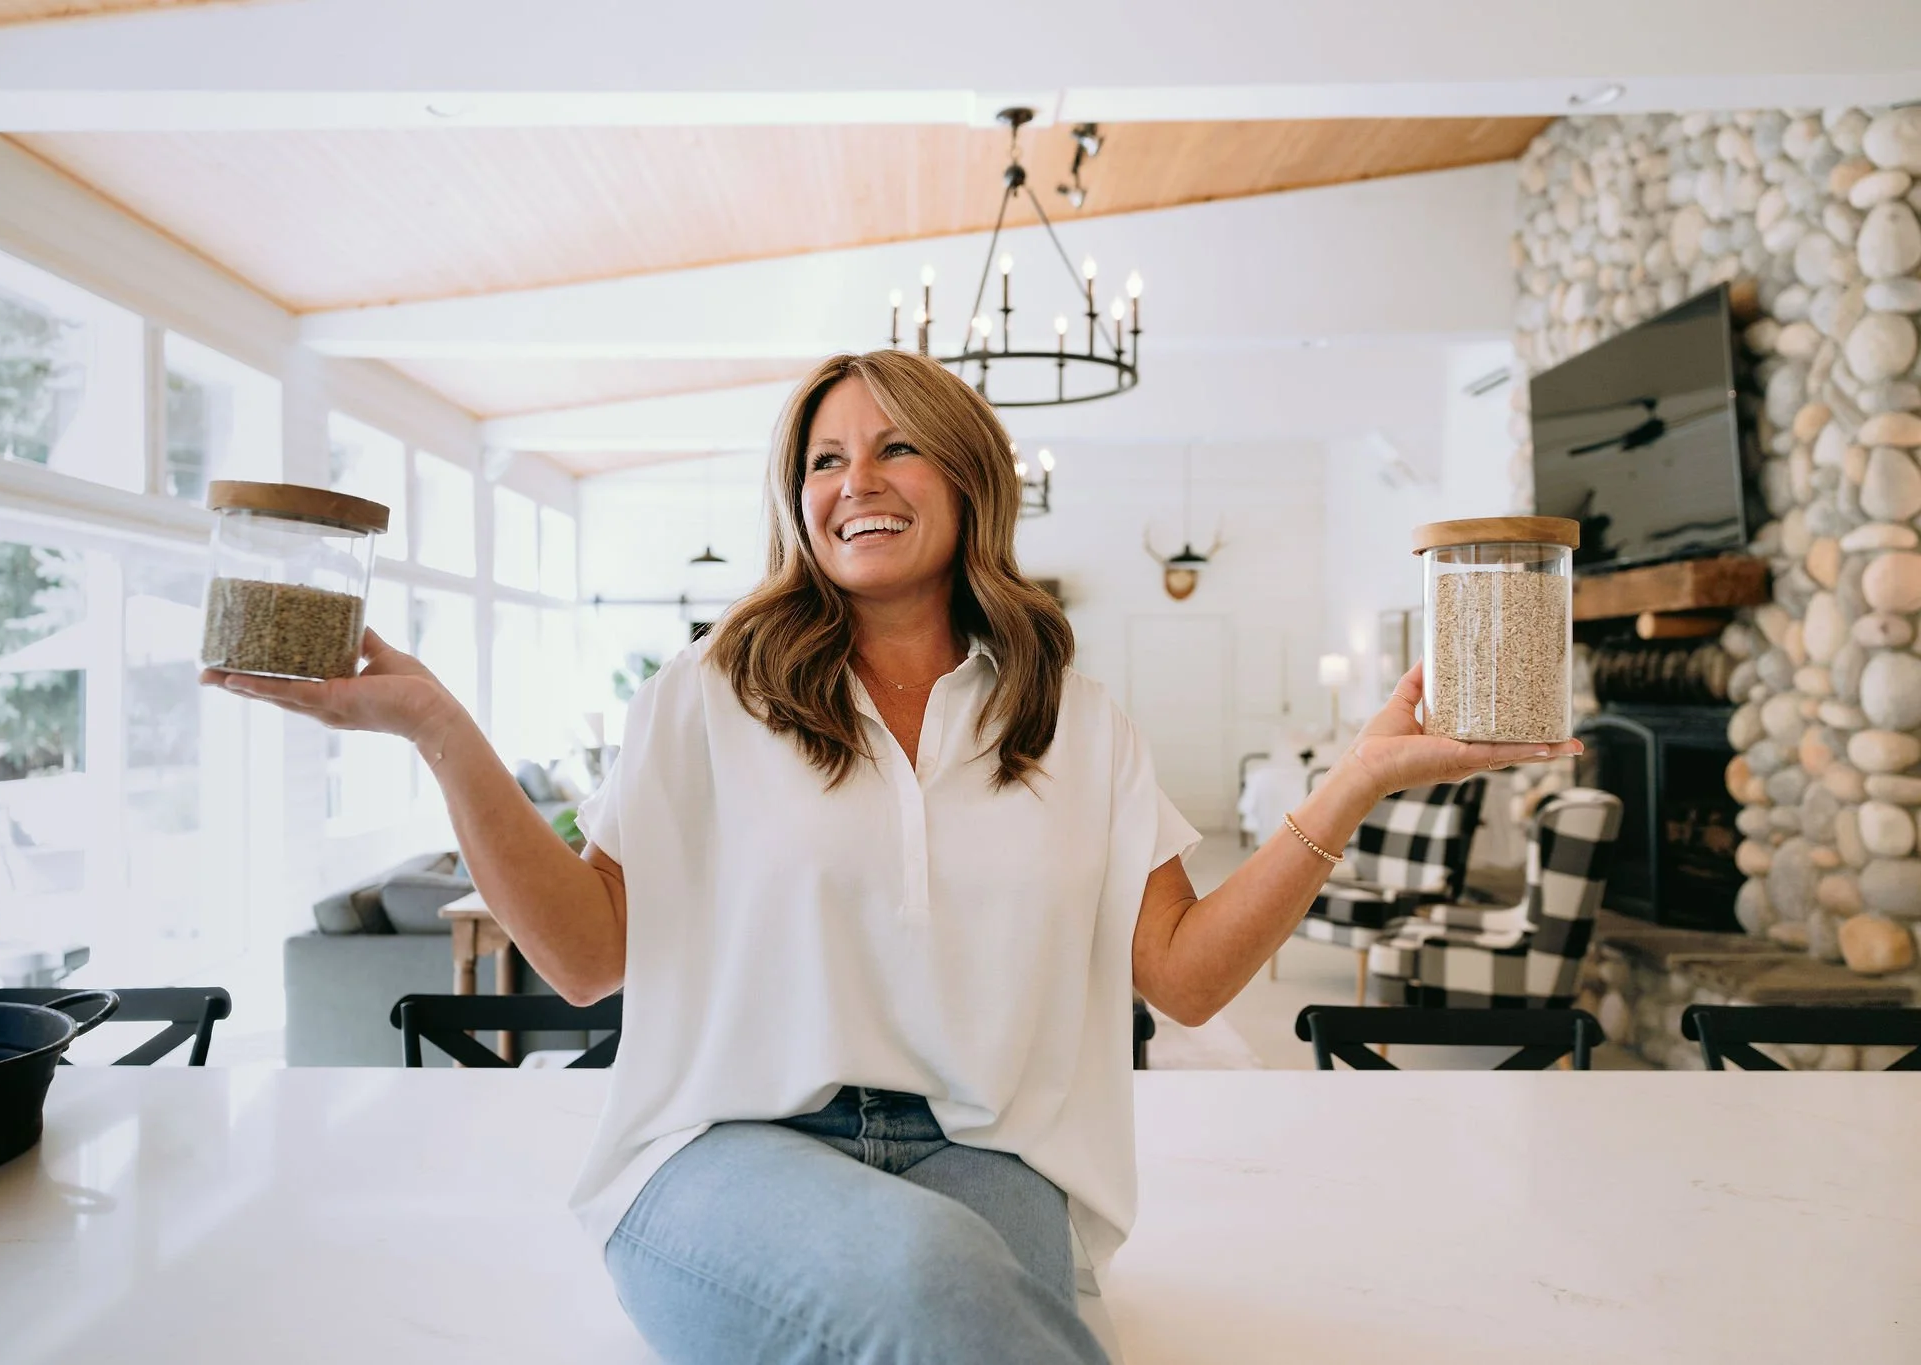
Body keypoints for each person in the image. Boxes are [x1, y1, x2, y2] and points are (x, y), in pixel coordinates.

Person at [207, 350, 1580, 1363]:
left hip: (991, 1154)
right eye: (822, 460)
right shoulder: (709, 693)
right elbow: (581, 959)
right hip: (726, 1154)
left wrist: (1358, 778)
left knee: (951, 1292)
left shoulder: (1073, 718)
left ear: (970, 479)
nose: (854, 481)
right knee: (936, 1285)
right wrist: (440, 730)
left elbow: (1187, 979)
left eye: (895, 448)